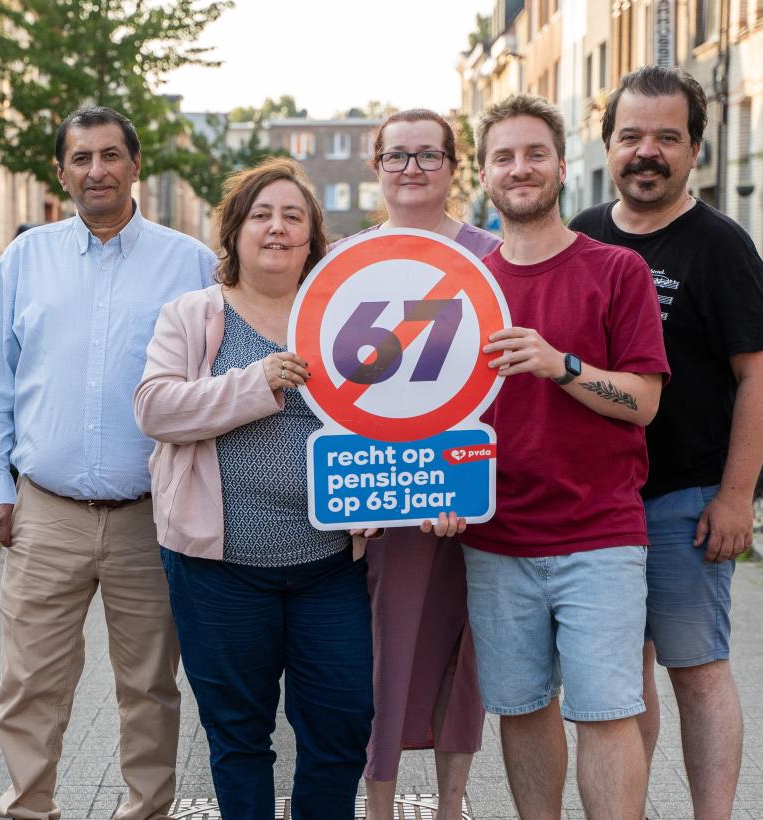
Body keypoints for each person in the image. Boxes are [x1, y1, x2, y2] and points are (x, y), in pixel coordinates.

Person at [0, 107, 216, 820]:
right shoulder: (26, 259)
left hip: (151, 517)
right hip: (45, 513)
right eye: (81, 158)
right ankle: (29, 808)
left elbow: (210, 383)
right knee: (30, 684)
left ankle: (147, 811)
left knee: (150, 688)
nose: (96, 170)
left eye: (110, 155)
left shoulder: (190, 263)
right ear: (61, 172)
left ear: (136, 165)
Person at [132, 158, 374, 820]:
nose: (277, 228)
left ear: (312, 237)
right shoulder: (193, 315)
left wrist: (383, 497)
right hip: (220, 573)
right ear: (235, 231)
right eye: (261, 214)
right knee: (238, 736)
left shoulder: (343, 317)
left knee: (342, 725)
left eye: (293, 216)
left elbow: (385, 420)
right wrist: (256, 382)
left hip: (330, 567)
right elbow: (155, 408)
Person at [461, 94, 670, 820]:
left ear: (561, 166)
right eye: (503, 157)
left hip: (599, 536)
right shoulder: (464, 285)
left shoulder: (617, 270)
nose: (519, 168)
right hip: (495, 538)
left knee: (607, 712)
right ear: (484, 175)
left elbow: (644, 402)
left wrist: (562, 366)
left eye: (534, 154)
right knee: (521, 708)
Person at [570, 65, 763, 819]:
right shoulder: (583, 233)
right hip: (599, 504)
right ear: (608, 145)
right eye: (630, 136)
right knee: (623, 679)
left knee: (698, 671)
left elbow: (756, 376)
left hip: (685, 500)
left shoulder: (721, 246)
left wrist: (736, 497)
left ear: (694, 150)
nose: (646, 152)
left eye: (666, 137)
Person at [331, 108, 499, 820]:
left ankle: (452, 807)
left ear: (453, 167)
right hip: (383, 494)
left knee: (468, 658)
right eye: (396, 155)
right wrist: (344, 495)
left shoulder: (493, 257)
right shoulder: (344, 260)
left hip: (474, 486)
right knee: (385, 655)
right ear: (376, 166)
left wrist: (467, 479)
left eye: (429, 154)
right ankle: (380, 806)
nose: (412, 168)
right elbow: (327, 385)